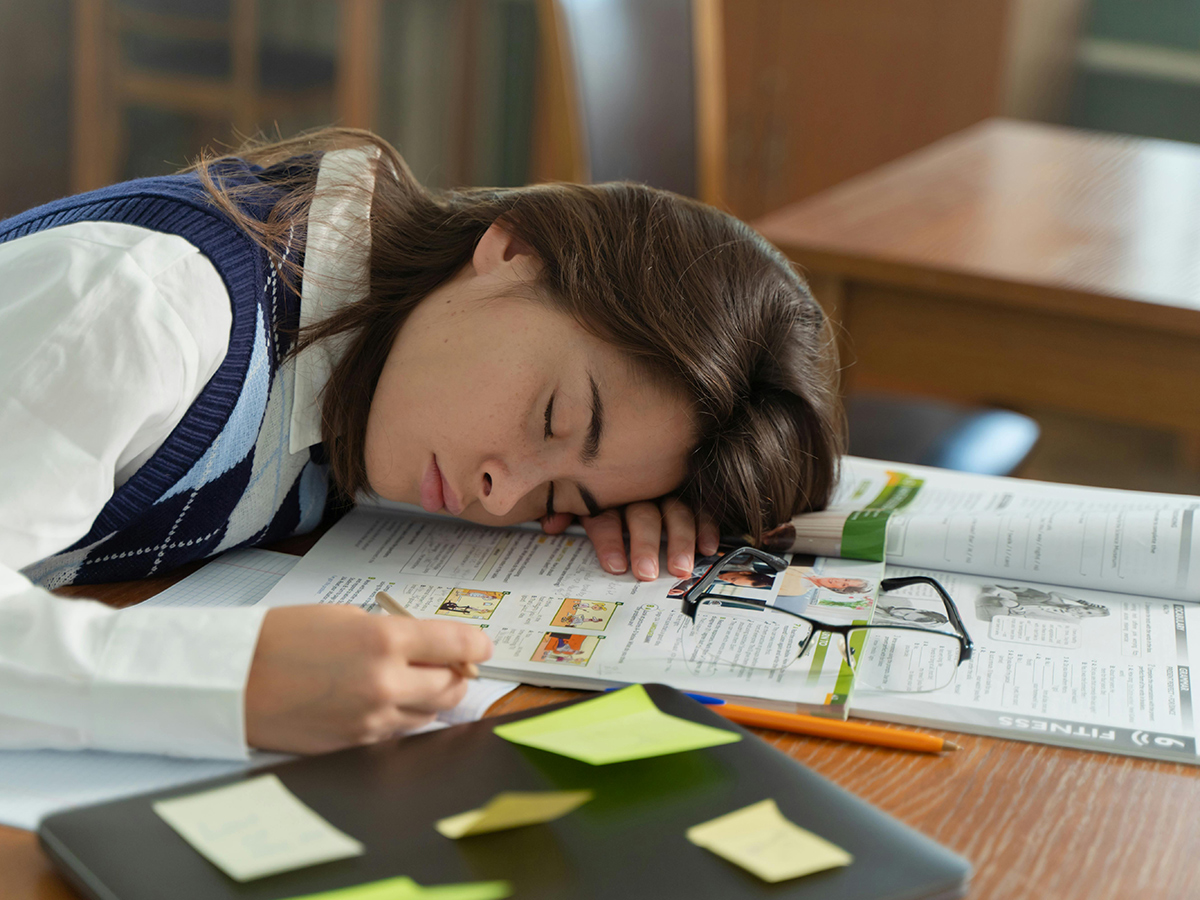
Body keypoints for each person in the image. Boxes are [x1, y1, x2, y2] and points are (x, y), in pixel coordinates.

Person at [0, 128, 843, 758]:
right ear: (513, 251)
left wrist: (637, 506)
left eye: (558, 500)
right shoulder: (146, 310)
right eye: (551, 418)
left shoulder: (383, 373)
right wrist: (233, 683)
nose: (498, 493)